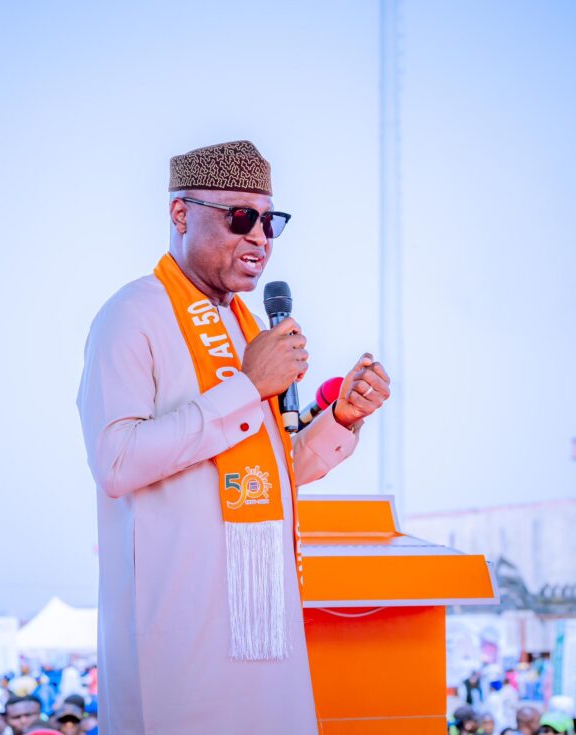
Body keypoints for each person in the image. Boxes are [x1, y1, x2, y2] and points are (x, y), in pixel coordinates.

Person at [78, 140, 389, 734]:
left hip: (263, 615)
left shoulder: (246, 325)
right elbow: (116, 462)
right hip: (177, 626)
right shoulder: (132, 314)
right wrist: (248, 387)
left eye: (271, 222)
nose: (260, 239)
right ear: (180, 214)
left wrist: (340, 420)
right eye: (240, 218)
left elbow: (266, 471)